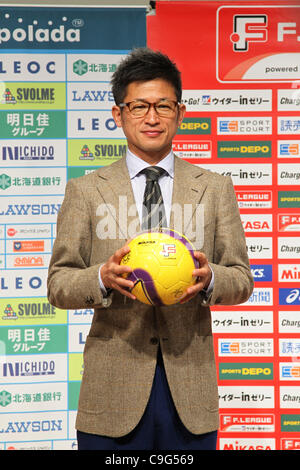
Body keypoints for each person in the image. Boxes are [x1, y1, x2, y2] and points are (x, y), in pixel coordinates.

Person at [47, 48, 253, 450]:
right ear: (118, 114)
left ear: (181, 111)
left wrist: (210, 277)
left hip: (189, 390)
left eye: (163, 105)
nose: (152, 117)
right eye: (139, 106)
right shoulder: (86, 191)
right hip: (112, 395)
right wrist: (101, 279)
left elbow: (241, 278)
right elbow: (59, 283)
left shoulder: (214, 188)